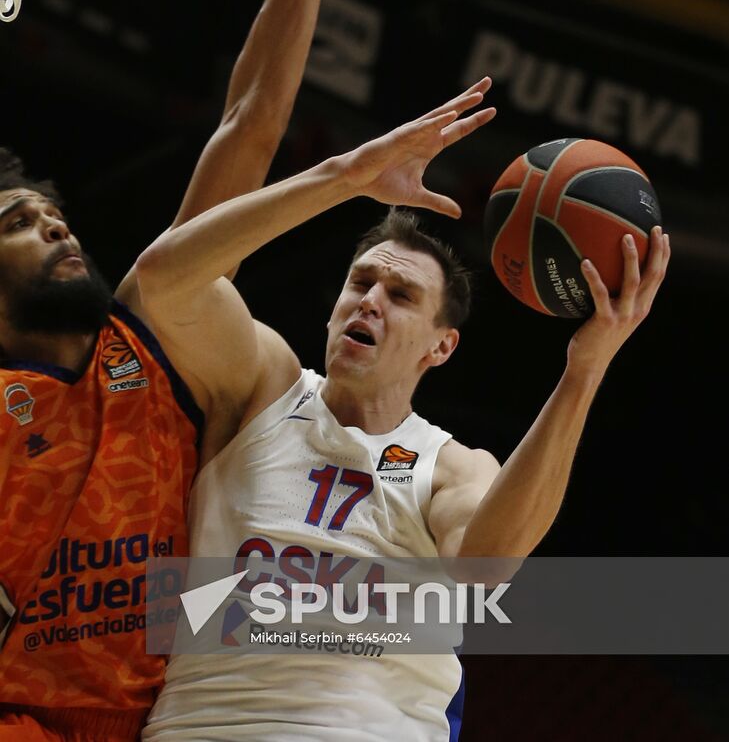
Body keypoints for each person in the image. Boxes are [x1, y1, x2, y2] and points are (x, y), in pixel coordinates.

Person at [0, 0, 401, 741]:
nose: (55, 224)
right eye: (15, 221)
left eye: (51, 212)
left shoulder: (149, 336)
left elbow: (254, 124)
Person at [136, 80, 670, 741]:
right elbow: (160, 283)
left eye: (400, 295)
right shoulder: (261, 385)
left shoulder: (450, 466)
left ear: (441, 346)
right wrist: (344, 176)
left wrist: (583, 372)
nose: (369, 302)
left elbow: (484, 566)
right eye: (360, 283)